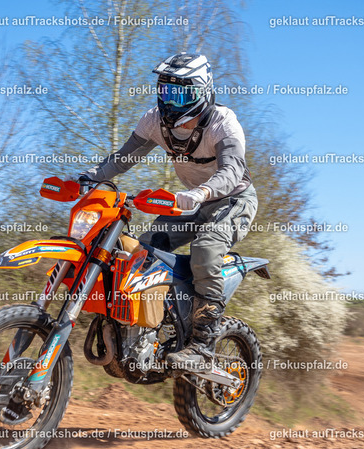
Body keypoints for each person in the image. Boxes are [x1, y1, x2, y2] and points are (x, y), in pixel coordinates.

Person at [76, 52, 257, 372]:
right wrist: (90, 177)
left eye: (180, 94)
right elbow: (123, 158)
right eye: (165, 91)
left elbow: (231, 172)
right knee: (144, 249)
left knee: (206, 249)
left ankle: (202, 346)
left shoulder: (223, 122)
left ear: (202, 91)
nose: (171, 101)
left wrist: (201, 192)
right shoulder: (154, 121)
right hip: (191, 201)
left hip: (232, 200)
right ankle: (147, 330)